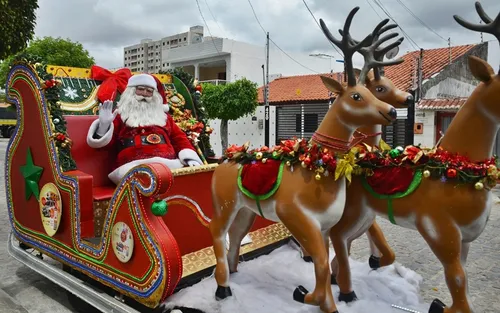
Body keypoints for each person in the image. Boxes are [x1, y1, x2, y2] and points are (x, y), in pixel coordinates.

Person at [86, 73, 203, 184]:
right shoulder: (121, 116)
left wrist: (189, 158)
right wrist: (103, 126)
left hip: (168, 166)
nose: (144, 94)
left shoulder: (164, 117)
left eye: (149, 91)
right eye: (140, 89)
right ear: (131, 91)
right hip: (132, 168)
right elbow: (106, 146)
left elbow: (179, 138)